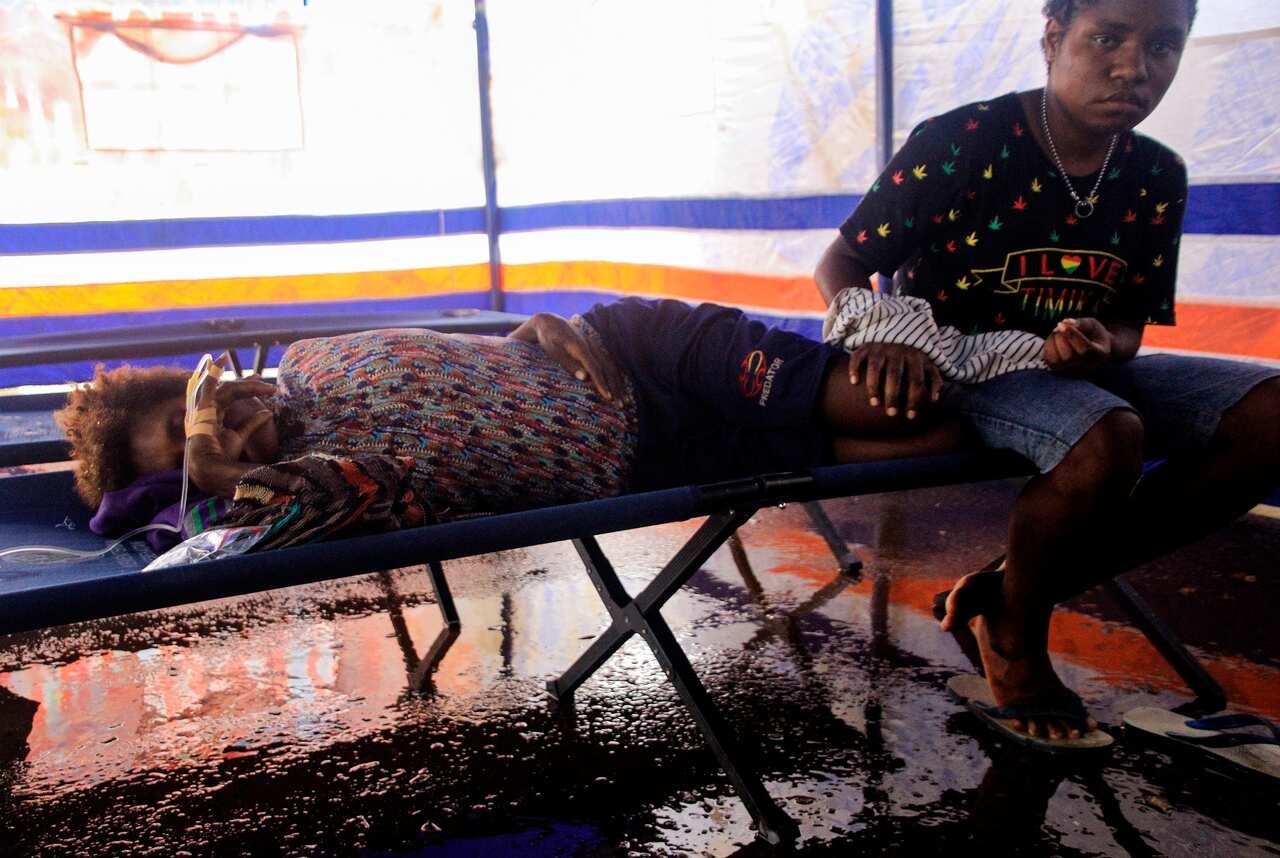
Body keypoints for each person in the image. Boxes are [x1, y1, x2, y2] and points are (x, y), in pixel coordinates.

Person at [815, 0, 1279, 743]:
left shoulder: (1158, 175)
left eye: (1162, 46)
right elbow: (841, 264)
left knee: (1272, 413)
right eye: (1108, 39)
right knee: (1109, 437)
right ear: (1054, 37)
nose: (1134, 68)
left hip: (1079, 376)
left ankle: (1011, 591)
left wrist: (1100, 341)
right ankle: (1017, 640)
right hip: (963, 369)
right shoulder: (964, 140)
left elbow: (1128, 327)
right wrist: (881, 333)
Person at [56, 297, 968, 542]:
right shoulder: (317, 489)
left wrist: (530, 328)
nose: (223, 430)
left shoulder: (308, 357)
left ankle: (1018, 358)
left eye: (192, 420)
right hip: (654, 460)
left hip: (641, 346)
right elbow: (335, 510)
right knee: (939, 437)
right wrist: (214, 476)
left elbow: (465, 362)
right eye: (193, 455)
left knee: (888, 395)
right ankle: (1040, 381)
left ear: (194, 389)